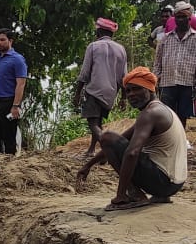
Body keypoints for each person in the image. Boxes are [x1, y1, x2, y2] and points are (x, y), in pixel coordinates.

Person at [76, 67, 187, 211]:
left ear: (150, 89)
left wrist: (120, 194)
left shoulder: (150, 113)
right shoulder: (160, 110)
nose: (131, 94)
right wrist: (88, 165)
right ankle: (157, 195)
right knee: (109, 138)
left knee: (107, 136)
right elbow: (119, 140)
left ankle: (132, 194)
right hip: (174, 184)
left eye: (136, 89)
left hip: (163, 181)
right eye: (128, 91)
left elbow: (131, 152)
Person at [73, 17, 127, 157]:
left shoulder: (93, 46)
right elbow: (124, 77)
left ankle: (110, 149)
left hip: (94, 90)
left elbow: (85, 72)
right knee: (98, 121)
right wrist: (123, 98)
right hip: (111, 93)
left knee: (92, 123)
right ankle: (93, 150)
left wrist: (78, 93)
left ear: (98, 31)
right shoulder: (121, 49)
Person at [153, 0, 196, 131]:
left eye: (184, 17)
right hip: (167, 82)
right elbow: (157, 62)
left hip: (187, 82)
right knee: (167, 114)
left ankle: (181, 139)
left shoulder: (195, 38)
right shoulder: (165, 39)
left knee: (183, 115)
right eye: (178, 17)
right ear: (174, 18)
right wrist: (155, 79)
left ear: (189, 19)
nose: (181, 20)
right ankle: (169, 140)